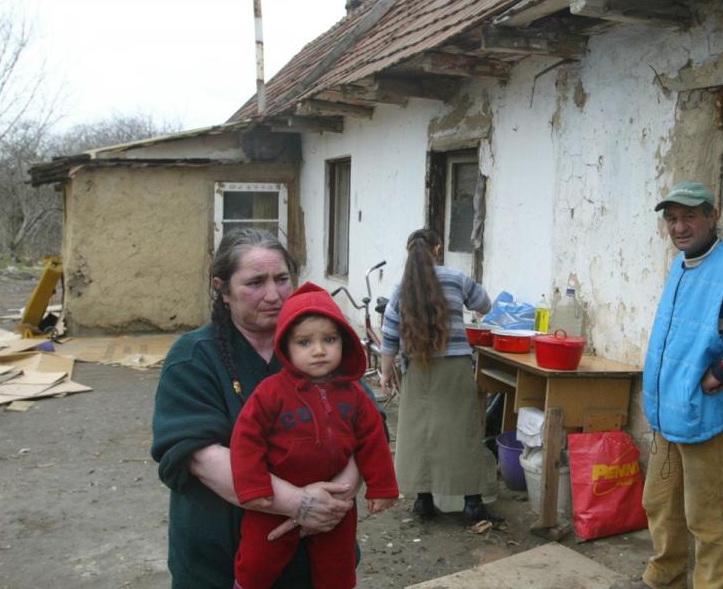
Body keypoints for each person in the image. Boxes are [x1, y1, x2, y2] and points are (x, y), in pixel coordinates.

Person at [151, 228, 360, 589]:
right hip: (220, 561)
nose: (273, 295)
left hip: (317, 556)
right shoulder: (194, 358)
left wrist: (333, 504)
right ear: (223, 289)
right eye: (255, 283)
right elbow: (201, 457)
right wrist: (298, 504)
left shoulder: (319, 344)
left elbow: (366, 429)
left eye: (282, 279)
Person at [231, 281, 398, 589]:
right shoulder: (271, 392)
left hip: (335, 500)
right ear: (286, 347)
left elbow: (372, 439)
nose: (319, 350)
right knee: (257, 560)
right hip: (276, 496)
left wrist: (382, 486)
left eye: (329, 339)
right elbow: (246, 437)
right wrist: (254, 485)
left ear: (344, 342)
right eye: (305, 343)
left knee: (338, 567)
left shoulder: (354, 394)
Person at [639, 181, 723, 589]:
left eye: (689, 216)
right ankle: (664, 577)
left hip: (701, 412)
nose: (679, 226)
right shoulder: (682, 263)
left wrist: (721, 370)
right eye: (672, 219)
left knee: (707, 519)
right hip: (666, 411)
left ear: (712, 215)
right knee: (660, 505)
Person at [378, 228, 500, 522]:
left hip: (417, 367)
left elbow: (389, 333)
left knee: (419, 433)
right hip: (455, 366)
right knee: (461, 433)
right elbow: (485, 304)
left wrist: (385, 372)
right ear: (438, 249)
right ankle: (472, 502)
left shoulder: (401, 288)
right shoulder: (457, 278)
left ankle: (423, 501)